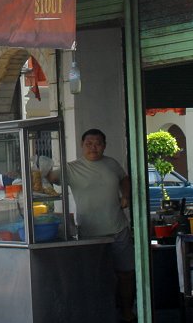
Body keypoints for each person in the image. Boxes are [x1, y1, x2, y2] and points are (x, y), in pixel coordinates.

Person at [53, 128, 135, 322]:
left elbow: (125, 178)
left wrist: (126, 195)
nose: (93, 147)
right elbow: (50, 178)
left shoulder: (112, 164)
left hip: (117, 228)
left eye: (98, 143)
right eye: (89, 143)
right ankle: (96, 314)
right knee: (95, 276)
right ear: (82, 146)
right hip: (89, 233)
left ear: (104, 146)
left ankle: (126, 311)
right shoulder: (71, 168)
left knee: (125, 273)